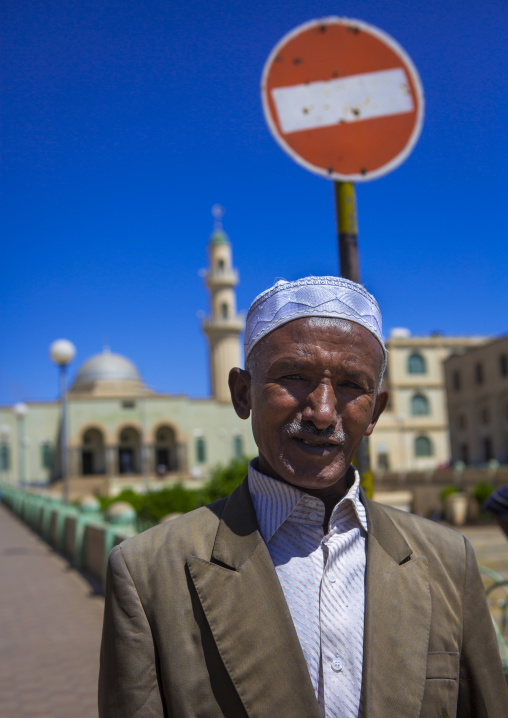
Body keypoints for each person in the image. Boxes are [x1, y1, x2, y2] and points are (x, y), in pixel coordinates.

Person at [99, 276, 508, 717]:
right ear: (242, 393)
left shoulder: (448, 561)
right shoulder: (149, 574)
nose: (324, 412)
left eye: (352, 385)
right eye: (294, 376)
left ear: (376, 411)